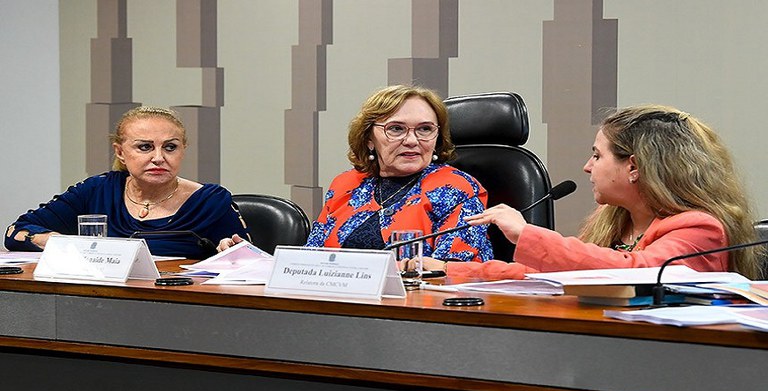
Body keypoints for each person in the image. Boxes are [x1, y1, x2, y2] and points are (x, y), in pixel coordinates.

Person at [419, 104, 763, 279]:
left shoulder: (700, 228)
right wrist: (448, 270)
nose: (587, 166)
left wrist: (526, 234)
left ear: (634, 167)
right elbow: (551, 279)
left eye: (598, 155)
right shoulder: (613, 219)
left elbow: (640, 275)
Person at [4, 106, 250, 259]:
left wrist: (231, 252)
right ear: (120, 152)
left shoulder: (210, 201)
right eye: (144, 147)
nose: (158, 158)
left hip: (180, 307)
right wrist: (70, 244)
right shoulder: (97, 190)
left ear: (182, 151)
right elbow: (16, 233)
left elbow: (250, 263)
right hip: (97, 302)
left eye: (170, 147)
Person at [303, 85, 493, 261]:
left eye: (425, 129)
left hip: (419, 296)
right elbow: (310, 257)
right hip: (340, 295)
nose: (411, 140)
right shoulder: (345, 184)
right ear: (369, 138)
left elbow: (452, 269)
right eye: (396, 129)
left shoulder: (457, 189)